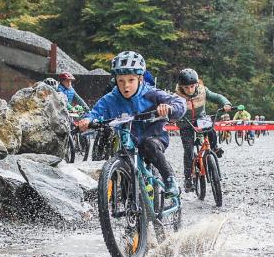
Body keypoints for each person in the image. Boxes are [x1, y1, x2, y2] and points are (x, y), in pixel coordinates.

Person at [78, 51, 185, 197]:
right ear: (115, 80)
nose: (125, 86)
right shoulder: (111, 98)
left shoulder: (151, 93)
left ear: (140, 79)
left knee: (149, 145)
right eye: (121, 81)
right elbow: (95, 113)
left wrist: (169, 108)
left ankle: (170, 181)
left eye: (131, 80)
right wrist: (87, 120)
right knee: (123, 158)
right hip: (129, 139)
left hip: (154, 136)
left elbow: (179, 102)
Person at [174, 68, 232, 192]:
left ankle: (214, 147)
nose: (189, 89)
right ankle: (188, 179)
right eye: (186, 87)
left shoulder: (202, 90)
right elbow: (172, 108)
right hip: (185, 122)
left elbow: (216, 97)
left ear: (196, 84)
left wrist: (226, 104)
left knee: (210, 130)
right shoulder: (176, 96)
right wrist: (172, 116)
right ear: (181, 87)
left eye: (191, 86)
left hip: (200, 118)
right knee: (188, 150)